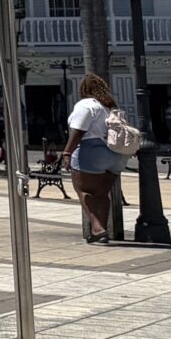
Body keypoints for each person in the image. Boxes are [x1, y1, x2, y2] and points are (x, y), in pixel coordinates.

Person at [65, 71, 126, 244]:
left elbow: (79, 130)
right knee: (101, 194)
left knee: (83, 191)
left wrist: (67, 152)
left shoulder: (86, 105)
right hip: (115, 156)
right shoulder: (108, 106)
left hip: (92, 151)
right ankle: (100, 231)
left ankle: (98, 228)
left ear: (84, 89)